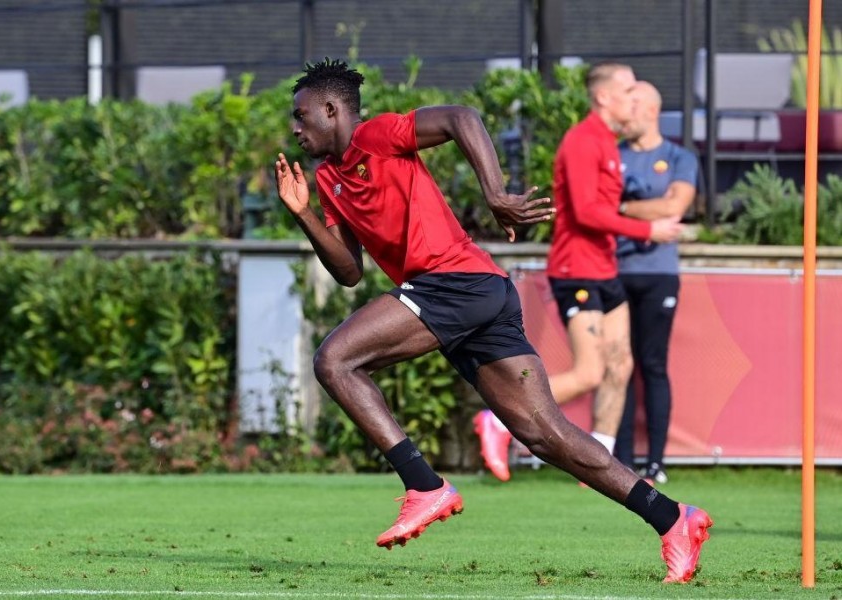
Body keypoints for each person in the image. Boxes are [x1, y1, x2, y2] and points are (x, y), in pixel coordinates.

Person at [274, 58, 711, 583]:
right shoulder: (330, 178)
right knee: (545, 434)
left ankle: (425, 484)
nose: (295, 129)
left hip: (455, 282)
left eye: (301, 116)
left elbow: (462, 117)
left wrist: (495, 194)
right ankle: (672, 518)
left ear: (331, 109)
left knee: (335, 360)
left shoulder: (378, 134)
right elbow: (347, 271)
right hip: (478, 293)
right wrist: (303, 215)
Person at [544, 63, 684, 463]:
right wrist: (647, 229)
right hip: (576, 270)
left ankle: (597, 461)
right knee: (589, 373)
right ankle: (498, 419)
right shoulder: (583, 140)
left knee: (620, 367)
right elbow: (587, 212)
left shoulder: (610, 141)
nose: (633, 98)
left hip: (605, 269)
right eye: (627, 91)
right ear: (604, 97)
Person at [613, 81, 698, 485]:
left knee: (652, 364)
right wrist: (646, 216)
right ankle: (622, 460)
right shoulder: (614, 156)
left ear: (649, 109)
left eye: (630, 108)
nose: (623, 117)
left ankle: (657, 462)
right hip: (615, 272)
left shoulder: (679, 157)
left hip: (659, 274)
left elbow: (674, 205)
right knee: (620, 365)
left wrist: (623, 208)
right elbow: (598, 204)